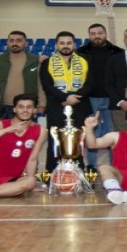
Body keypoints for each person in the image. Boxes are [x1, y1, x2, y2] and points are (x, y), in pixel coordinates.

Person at [40, 31, 92, 172]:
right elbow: (47, 86)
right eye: (62, 43)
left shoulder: (85, 60)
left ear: (74, 44)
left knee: (79, 139)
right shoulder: (47, 62)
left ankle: (78, 171)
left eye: (69, 43)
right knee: (54, 140)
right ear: (56, 45)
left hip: (80, 106)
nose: (65, 46)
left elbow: (90, 83)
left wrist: (74, 98)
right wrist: (65, 98)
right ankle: (51, 172)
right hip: (56, 106)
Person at [76, 23, 124, 170]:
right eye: (93, 33)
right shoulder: (79, 52)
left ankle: (114, 165)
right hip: (89, 98)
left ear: (105, 34)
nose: (97, 36)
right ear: (89, 35)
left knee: (113, 133)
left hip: (112, 99)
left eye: (99, 33)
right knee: (91, 133)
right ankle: (91, 166)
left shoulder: (118, 52)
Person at [0, 30, 45, 109]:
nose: (14, 43)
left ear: (26, 43)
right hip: (2, 106)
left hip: (28, 106)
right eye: (11, 40)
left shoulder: (35, 61)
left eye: (19, 41)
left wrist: (42, 104)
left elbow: (40, 84)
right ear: (7, 43)